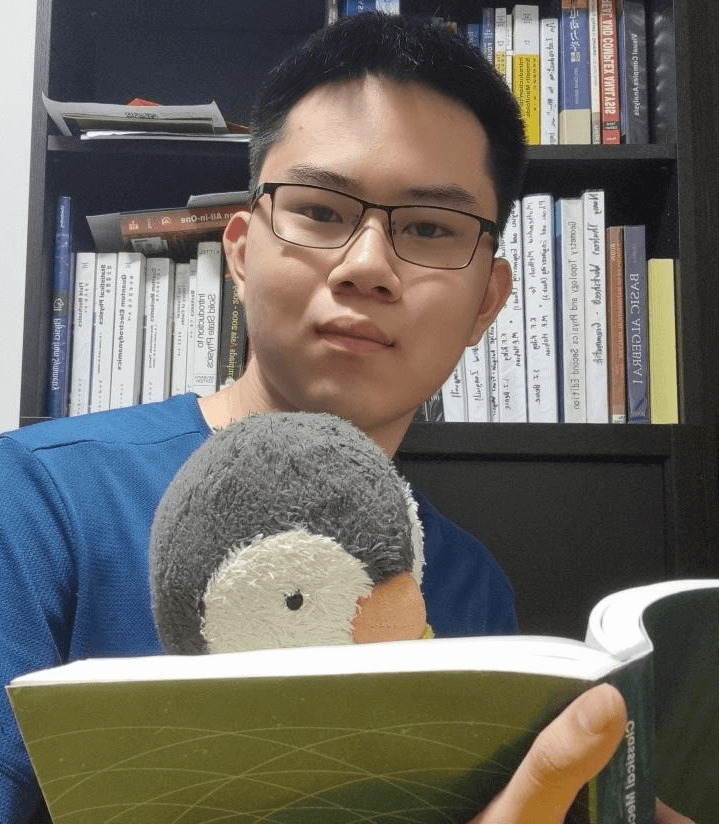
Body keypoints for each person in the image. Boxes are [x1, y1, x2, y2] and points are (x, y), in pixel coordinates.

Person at [0, 12, 691, 824]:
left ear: (487, 303)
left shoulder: (470, 587)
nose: (367, 266)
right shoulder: (36, 504)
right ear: (241, 250)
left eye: (428, 227)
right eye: (321, 212)